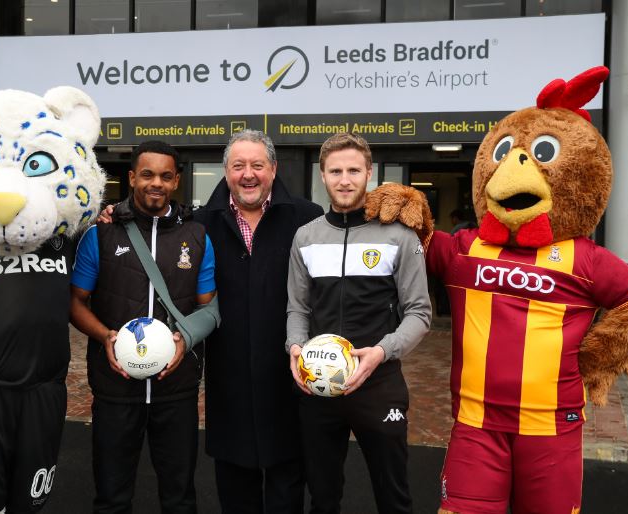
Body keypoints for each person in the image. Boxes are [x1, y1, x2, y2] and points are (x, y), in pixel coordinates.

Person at [286, 133, 431, 514]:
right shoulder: (306, 236)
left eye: (354, 170)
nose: (345, 179)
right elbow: (297, 309)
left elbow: (420, 313)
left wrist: (382, 352)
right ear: (323, 176)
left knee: (394, 498)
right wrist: (295, 348)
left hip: (379, 383)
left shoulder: (400, 235)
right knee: (323, 498)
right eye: (336, 171)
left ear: (370, 173)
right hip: (319, 386)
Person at [70, 140, 217, 514]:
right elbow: (75, 303)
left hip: (177, 389)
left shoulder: (197, 237)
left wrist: (185, 338)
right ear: (133, 176)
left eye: (166, 176)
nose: (157, 183)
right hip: (115, 387)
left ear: (177, 181)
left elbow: (209, 308)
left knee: (180, 496)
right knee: (112, 496)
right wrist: (105, 336)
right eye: (148, 174)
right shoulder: (100, 234)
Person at [193, 130, 323, 513]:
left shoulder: (307, 219)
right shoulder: (200, 225)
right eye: (238, 166)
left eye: (257, 165)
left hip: (290, 374)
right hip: (227, 377)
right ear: (226, 171)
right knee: (235, 488)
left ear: (274, 169)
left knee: (287, 486)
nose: (248, 174)